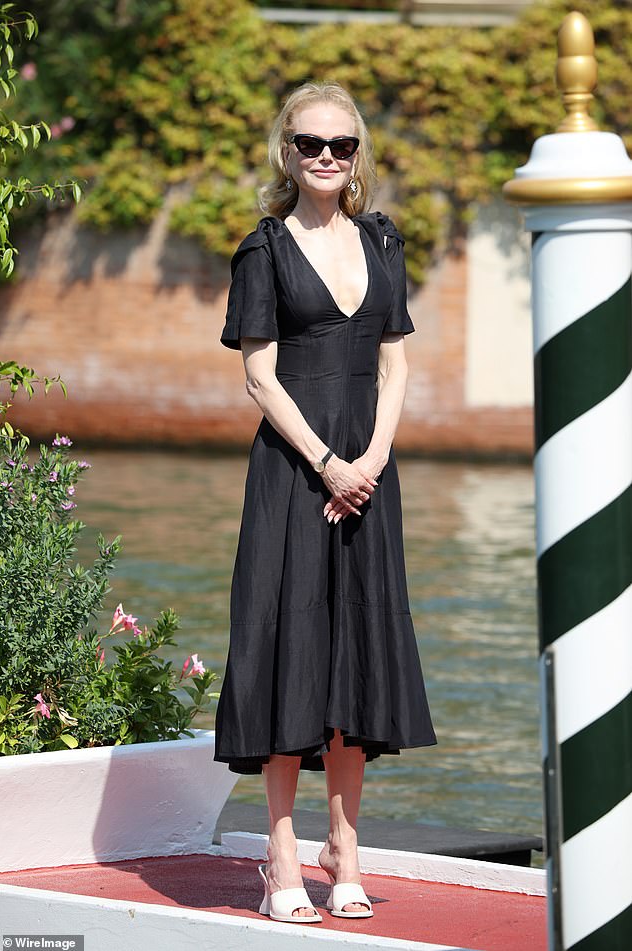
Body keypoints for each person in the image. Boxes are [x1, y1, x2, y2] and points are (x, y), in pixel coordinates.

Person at [215, 80, 436, 924]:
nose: (325, 157)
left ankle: (345, 845)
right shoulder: (262, 250)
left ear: (358, 153)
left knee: (356, 654)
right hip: (295, 471)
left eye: (340, 145)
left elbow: (396, 362)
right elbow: (259, 375)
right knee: (287, 652)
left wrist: (373, 458)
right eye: (310, 142)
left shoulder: (382, 240)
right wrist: (329, 463)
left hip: (370, 473)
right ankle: (280, 857)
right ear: (287, 149)